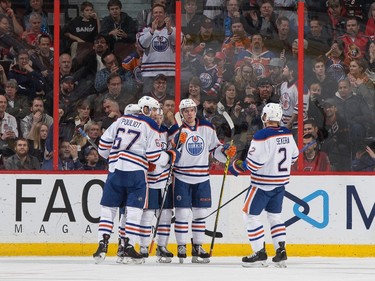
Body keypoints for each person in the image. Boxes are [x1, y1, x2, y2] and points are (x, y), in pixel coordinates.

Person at [93, 96, 179, 264]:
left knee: (108, 209)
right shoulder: (150, 125)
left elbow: (103, 148)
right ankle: (128, 246)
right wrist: (169, 157)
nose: (156, 113)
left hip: (115, 171)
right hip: (136, 173)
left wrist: (115, 157)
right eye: (153, 109)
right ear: (144, 109)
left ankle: (102, 245)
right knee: (133, 210)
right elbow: (153, 156)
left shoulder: (121, 120)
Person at [228, 103, 298, 268]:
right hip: (280, 184)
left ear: (265, 117)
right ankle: (281, 251)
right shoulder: (287, 133)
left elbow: (253, 164)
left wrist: (236, 166)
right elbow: (293, 157)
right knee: (275, 217)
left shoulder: (262, 135)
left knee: (250, 216)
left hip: (261, 185)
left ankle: (260, 253)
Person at [169, 98, 236, 264]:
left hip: (202, 177)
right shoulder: (176, 130)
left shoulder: (207, 127)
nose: (189, 113)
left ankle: (198, 246)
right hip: (182, 176)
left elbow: (215, 151)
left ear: (195, 110)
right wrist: (177, 144)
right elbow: (170, 155)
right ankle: (181, 246)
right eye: (186, 111)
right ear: (182, 113)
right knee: (182, 213)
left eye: (192, 110)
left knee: (201, 213)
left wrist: (225, 151)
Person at [137, 3, 177, 95]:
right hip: (149, 73)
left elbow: (178, 44)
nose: (158, 14)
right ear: (152, 14)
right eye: (156, 12)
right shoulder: (145, 30)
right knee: (148, 102)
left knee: (170, 102)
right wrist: (152, 31)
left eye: (160, 12)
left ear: (165, 14)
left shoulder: (173, 29)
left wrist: (170, 30)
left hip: (169, 73)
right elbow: (141, 45)